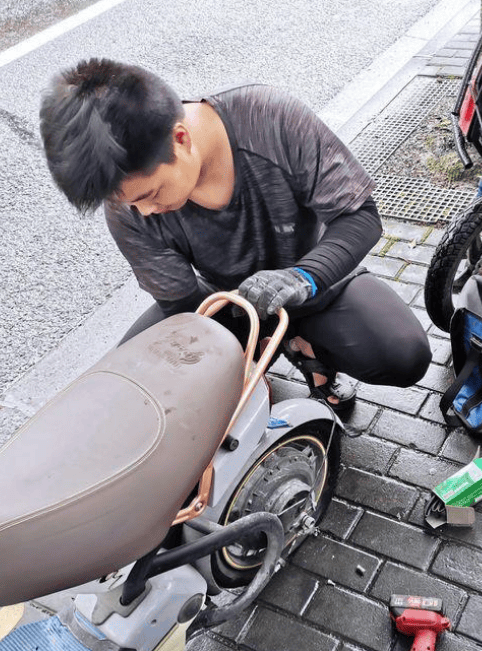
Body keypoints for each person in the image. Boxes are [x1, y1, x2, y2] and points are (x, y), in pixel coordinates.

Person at [38, 58, 431, 409]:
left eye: (151, 194)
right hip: (226, 299)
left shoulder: (270, 118)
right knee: (134, 391)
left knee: (403, 354)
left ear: (181, 139)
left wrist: (302, 277)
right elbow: (182, 301)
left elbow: (359, 217)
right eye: (131, 204)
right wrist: (234, 365)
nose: (145, 212)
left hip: (318, 282)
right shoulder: (126, 204)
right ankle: (279, 346)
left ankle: (307, 342)